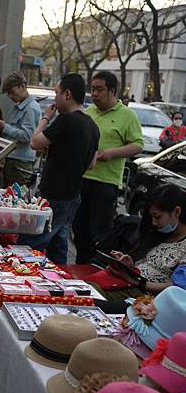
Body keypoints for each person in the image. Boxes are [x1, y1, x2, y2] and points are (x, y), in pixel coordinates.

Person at [18, 73, 99, 264]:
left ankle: (22, 274)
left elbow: (35, 142)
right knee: (58, 244)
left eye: (56, 93)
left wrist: (46, 118)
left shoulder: (66, 120)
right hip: (73, 194)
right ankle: (57, 277)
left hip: (53, 194)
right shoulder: (93, 126)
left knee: (31, 242)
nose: (55, 98)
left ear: (67, 94)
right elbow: (92, 163)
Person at [73, 71, 144, 263]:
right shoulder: (88, 113)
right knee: (79, 229)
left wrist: (112, 153)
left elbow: (138, 144)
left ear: (112, 91)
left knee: (100, 233)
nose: (95, 93)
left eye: (100, 89)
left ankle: (97, 269)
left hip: (106, 183)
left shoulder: (127, 115)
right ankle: (80, 267)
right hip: (82, 179)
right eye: (93, 89)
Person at [91, 184, 186, 301]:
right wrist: (129, 267)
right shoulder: (159, 234)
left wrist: (137, 282)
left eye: (157, 217)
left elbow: (176, 287)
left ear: (177, 212)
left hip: (144, 297)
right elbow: (147, 264)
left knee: (89, 294)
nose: (154, 222)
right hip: (128, 283)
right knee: (83, 288)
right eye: (151, 217)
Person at [0, 71, 41, 186]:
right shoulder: (20, 107)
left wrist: (5, 127)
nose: (11, 96)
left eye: (12, 92)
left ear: (22, 86)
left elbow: (27, 136)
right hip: (13, 160)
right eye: (8, 93)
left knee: (17, 195)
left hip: (20, 163)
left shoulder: (30, 108)